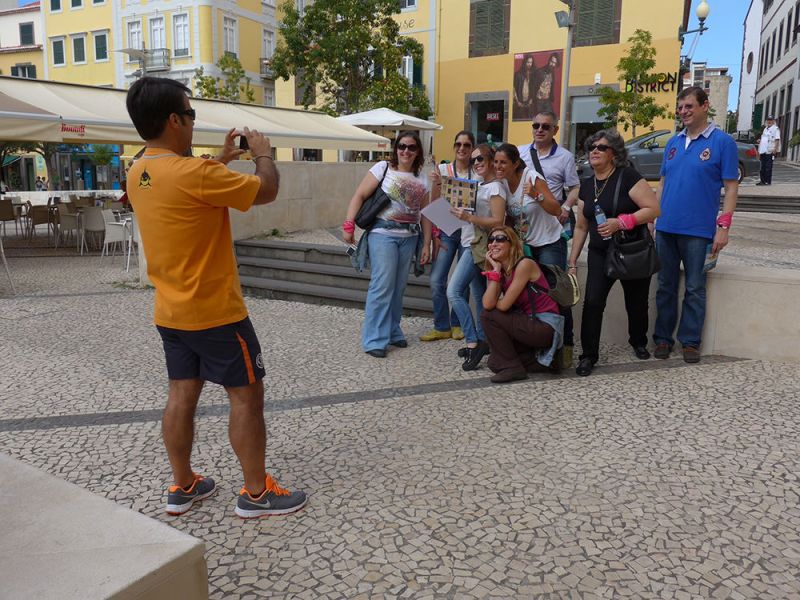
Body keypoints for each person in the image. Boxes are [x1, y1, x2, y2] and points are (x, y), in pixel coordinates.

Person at [124, 76, 307, 519]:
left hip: (170, 311)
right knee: (246, 397)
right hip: (216, 313)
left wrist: (224, 157)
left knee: (181, 396)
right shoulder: (194, 173)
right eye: (190, 115)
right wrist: (262, 153)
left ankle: (183, 484)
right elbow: (265, 190)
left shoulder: (138, 171)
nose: (192, 122)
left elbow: (187, 183)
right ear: (172, 119)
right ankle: (256, 494)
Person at [653, 86, 738, 363]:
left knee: (694, 288)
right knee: (665, 285)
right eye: (680, 108)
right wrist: (654, 217)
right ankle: (662, 338)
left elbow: (730, 186)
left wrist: (723, 227)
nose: (683, 112)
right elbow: (663, 182)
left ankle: (689, 341)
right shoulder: (673, 142)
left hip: (699, 231)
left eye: (689, 106)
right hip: (666, 228)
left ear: (704, 106)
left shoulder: (722, 142)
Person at [568, 129, 660, 377]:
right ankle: (588, 355)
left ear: (614, 154)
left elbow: (653, 209)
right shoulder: (587, 185)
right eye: (591, 147)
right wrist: (573, 259)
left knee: (637, 303)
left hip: (630, 250)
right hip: (600, 252)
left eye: (601, 147)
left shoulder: (628, 176)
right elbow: (581, 225)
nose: (594, 151)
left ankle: (638, 341)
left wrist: (622, 222)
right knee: (593, 303)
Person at [343, 131, 431, 358]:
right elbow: (359, 195)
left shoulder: (422, 178)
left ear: (418, 151)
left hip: (409, 237)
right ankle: (374, 339)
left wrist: (427, 244)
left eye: (411, 147)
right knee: (382, 285)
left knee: (398, 287)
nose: (406, 151)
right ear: (396, 148)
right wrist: (349, 224)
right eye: (402, 146)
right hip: (383, 234)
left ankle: (393, 330)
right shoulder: (383, 168)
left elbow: (426, 214)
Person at [517, 110, 581, 366]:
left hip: (550, 233)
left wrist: (565, 207)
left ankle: (565, 347)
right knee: (525, 292)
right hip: (524, 234)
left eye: (545, 126)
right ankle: (531, 346)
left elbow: (574, 186)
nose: (539, 129)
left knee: (557, 290)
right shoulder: (520, 153)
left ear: (555, 130)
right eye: (535, 125)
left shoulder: (564, 157)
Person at [446, 143, 507, 370]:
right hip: (471, 243)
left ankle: (472, 341)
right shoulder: (479, 185)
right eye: (474, 161)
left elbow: (498, 221)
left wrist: (469, 218)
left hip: (482, 247)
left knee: (453, 291)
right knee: (480, 296)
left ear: (491, 159)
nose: (477, 163)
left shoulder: (495, 188)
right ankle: (484, 342)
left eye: (481, 158)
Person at [480, 226, 564, 383]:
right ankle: (542, 363)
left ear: (512, 244)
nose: (493, 243)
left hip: (545, 326)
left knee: (488, 316)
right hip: (529, 323)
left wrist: (497, 301)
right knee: (493, 362)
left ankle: (513, 368)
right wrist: (496, 271)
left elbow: (501, 307)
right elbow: (488, 303)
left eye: (500, 239)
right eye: (491, 240)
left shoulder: (524, 264)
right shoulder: (502, 272)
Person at [421, 130, 476, 343]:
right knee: (436, 279)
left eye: (466, 145)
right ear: (454, 147)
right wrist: (436, 185)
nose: (462, 148)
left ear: (472, 149)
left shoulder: (477, 172)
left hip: (469, 231)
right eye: (458, 144)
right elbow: (433, 203)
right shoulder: (443, 169)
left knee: (462, 281)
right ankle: (441, 325)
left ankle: (457, 324)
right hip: (447, 230)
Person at [757, 115, 781, 186]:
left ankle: (767, 181)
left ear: (773, 121)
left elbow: (777, 139)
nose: (769, 121)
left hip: (770, 150)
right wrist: (760, 140)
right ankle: (762, 181)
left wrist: (775, 149)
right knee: (762, 166)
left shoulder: (775, 129)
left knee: (768, 167)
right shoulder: (765, 129)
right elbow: (764, 138)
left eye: (771, 120)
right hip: (763, 150)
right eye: (768, 120)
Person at [513, 55, 536, 121]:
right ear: (524, 63)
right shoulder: (517, 75)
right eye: (528, 62)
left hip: (529, 104)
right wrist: (517, 102)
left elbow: (534, 89)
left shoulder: (533, 74)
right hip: (519, 104)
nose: (529, 64)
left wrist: (531, 99)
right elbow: (513, 89)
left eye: (531, 62)